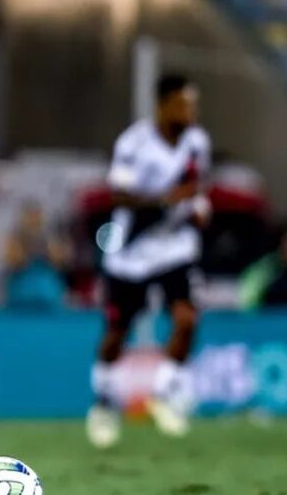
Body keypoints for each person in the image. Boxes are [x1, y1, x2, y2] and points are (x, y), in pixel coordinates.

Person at [86, 74, 211, 449]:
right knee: (116, 335)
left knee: (187, 319)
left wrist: (199, 207)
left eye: (193, 104)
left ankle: (165, 393)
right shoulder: (134, 143)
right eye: (183, 104)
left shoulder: (196, 142)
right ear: (163, 105)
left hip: (175, 246)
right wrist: (165, 200)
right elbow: (119, 196)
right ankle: (105, 402)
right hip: (133, 251)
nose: (190, 112)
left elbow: (196, 187)